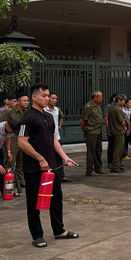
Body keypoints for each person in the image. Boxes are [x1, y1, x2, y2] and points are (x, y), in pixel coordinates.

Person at [17, 84, 78, 248]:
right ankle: (37, 235)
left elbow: (53, 139)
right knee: (34, 203)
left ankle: (59, 230)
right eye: (43, 96)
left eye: (48, 95)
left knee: (56, 199)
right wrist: (40, 159)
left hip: (52, 167)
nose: (47, 98)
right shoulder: (27, 118)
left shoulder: (50, 117)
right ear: (34, 98)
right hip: (34, 169)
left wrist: (64, 157)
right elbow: (22, 142)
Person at [0, 92, 29, 187]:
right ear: (18, 102)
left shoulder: (27, 113)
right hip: (12, 139)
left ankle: (20, 180)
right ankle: (7, 180)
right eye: (24, 101)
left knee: (21, 161)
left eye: (27, 101)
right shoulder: (10, 112)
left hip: (23, 139)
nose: (26, 103)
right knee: (10, 161)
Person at [45, 91, 68, 182]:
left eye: (56, 99)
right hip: (47, 138)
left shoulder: (57, 109)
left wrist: (59, 125)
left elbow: (61, 117)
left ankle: (61, 176)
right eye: (52, 98)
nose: (54, 100)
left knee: (59, 158)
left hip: (56, 137)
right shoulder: (44, 109)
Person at [80, 90, 105, 176]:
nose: (101, 99)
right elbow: (83, 120)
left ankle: (98, 168)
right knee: (91, 151)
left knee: (98, 150)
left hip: (98, 131)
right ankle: (89, 170)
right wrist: (84, 130)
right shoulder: (88, 107)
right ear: (95, 98)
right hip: (91, 131)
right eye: (100, 97)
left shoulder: (97, 106)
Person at [107, 93, 127, 173]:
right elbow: (122, 121)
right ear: (119, 100)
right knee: (118, 150)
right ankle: (116, 166)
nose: (124, 103)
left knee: (116, 148)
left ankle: (117, 164)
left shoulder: (112, 108)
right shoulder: (118, 109)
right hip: (118, 131)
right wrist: (124, 127)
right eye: (123, 101)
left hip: (113, 130)